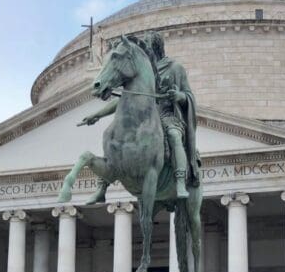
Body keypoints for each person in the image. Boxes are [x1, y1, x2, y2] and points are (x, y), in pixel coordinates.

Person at [79, 31, 199, 201]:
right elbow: (123, 100)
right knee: (113, 137)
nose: (144, 50)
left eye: (148, 46)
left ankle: (180, 181)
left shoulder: (174, 68)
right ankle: (102, 187)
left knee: (174, 135)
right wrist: (97, 115)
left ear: (156, 48)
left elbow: (188, 95)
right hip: (141, 118)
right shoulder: (141, 70)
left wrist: (178, 96)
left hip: (165, 115)